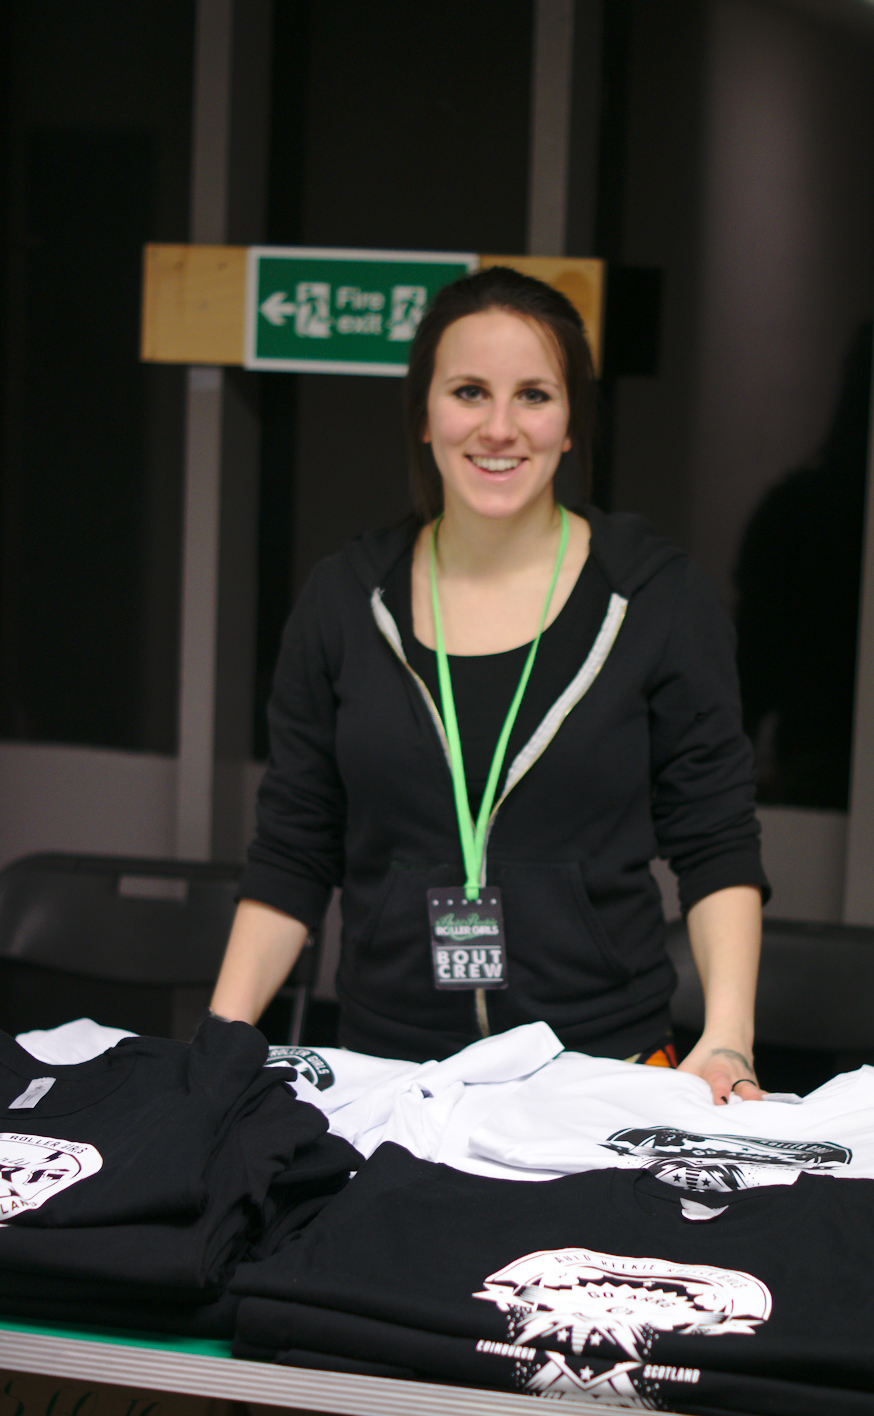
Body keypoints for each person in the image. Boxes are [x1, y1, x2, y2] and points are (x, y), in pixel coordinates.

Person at [211, 267, 769, 1104]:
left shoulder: (653, 598)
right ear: (424, 416)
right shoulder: (343, 600)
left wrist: (727, 1040)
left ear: (572, 421)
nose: (500, 428)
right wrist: (221, 1042)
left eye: (534, 396)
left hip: (603, 1072)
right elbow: (295, 847)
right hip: (388, 1078)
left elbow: (714, 835)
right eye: (469, 392)